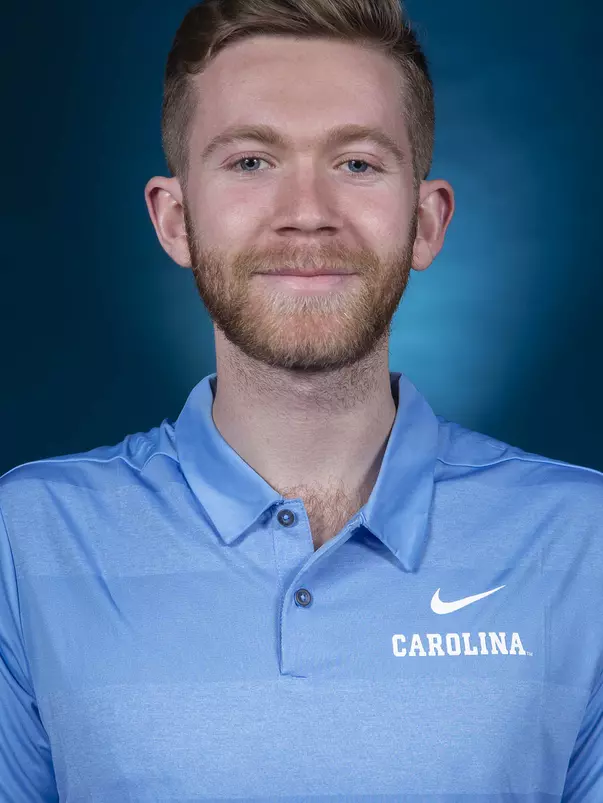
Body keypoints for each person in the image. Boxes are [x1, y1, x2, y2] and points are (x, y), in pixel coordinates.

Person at [1, 0, 601, 800]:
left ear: (425, 222)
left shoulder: (584, 544)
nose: (307, 215)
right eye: (251, 161)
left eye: (355, 163)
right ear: (174, 219)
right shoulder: (26, 540)